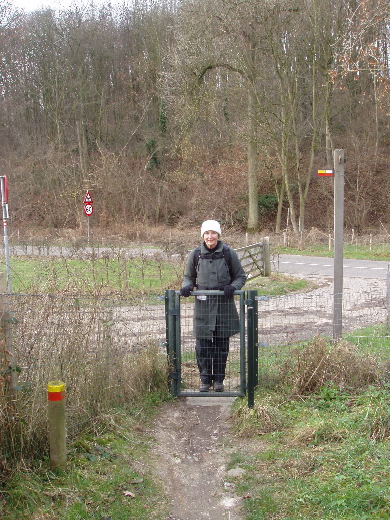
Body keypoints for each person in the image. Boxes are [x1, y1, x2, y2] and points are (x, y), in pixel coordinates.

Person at [180, 220, 246, 392]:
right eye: (207, 233)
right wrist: (187, 286)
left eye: (213, 233)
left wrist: (234, 287)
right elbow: (188, 276)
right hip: (203, 306)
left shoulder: (228, 253)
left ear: (218, 235)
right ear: (202, 235)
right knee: (202, 346)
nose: (210, 237)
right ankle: (204, 380)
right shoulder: (195, 255)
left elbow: (240, 277)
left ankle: (218, 380)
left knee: (221, 345)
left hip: (224, 305)